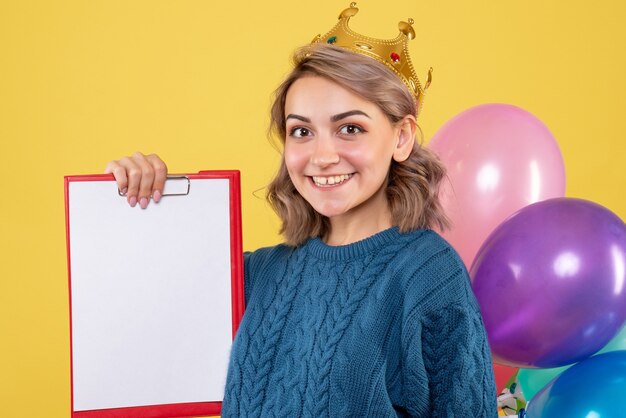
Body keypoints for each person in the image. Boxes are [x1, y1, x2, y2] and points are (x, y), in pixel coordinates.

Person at [105, 4, 497, 416]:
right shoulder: (257, 274)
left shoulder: (427, 274)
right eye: (302, 131)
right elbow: (131, 318)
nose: (322, 156)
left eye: (350, 128)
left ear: (401, 137)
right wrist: (137, 204)